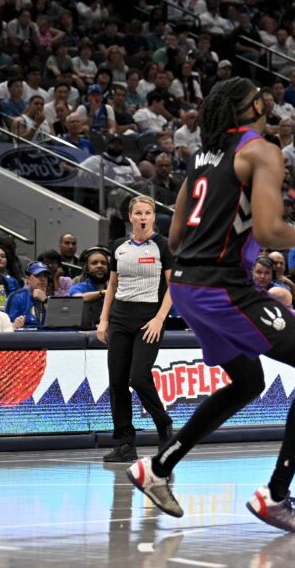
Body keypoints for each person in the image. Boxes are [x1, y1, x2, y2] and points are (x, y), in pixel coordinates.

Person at [127, 77, 295, 533]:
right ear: (253, 107)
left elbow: (177, 236)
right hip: (223, 288)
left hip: (187, 285)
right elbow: (267, 232)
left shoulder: (201, 158)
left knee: (247, 382)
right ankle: (275, 495)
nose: (266, 102)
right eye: (261, 99)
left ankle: (159, 468)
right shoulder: (261, 150)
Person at [98, 196, 174, 463]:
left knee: (138, 378)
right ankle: (124, 444)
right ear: (130, 216)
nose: (143, 217)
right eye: (138, 213)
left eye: (148, 213)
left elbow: (173, 287)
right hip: (120, 318)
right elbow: (112, 286)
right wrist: (104, 319)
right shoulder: (118, 247)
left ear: (154, 217)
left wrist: (159, 319)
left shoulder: (163, 246)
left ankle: (163, 422)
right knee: (117, 382)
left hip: (149, 318)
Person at [5, 261, 51, 328]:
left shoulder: (51, 299)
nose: (42, 279)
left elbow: (58, 323)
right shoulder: (16, 297)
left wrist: (45, 301)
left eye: (45, 276)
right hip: (25, 336)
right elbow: (7, 326)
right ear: (28, 279)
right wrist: (15, 324)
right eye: (38, 275)